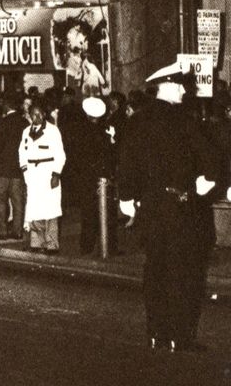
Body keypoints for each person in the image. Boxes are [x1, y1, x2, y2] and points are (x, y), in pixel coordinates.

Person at [118, 60, 219, 352]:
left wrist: (127, 199)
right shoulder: (184, 120)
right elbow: (210, 159)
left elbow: (126, 163)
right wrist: (206, 182)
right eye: (180, 86)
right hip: (182, 208)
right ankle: (180, 336)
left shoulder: (137, 120)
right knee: (184, 272)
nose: (184, 92)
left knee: (155, 270)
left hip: (151, 207)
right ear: (170, 86)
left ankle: (156, 333)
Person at [73, 96, 119, 255]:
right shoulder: (105, 130)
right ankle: (108, 246)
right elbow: (112, 153)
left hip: (86, 177)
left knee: (88, 213)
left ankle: (86, 246)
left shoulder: (80, 130)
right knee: (107, 213)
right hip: (104, 175)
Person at [19, 97, 65, 253]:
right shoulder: (26, 132)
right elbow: (22, 153)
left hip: (48, 171)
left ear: (44, 114)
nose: (36, 118)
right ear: (29, 115)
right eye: (33, 115)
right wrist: (25, 171)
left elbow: (60, 154)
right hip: (32, 174)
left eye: (39, 115)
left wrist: (56, 174)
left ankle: (52, 244)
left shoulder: (52, 130)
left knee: (51, 210)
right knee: (34, 208)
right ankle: (37, 243)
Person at [0, 91, 28, 240]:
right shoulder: (25, 122)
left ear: (6, 105)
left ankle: (1, 231)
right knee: (18, 201)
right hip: (18, 169)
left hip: (1, 168)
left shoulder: (1, 122)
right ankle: (17, 231)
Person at [64, 21, 106, 96]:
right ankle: (100, 31)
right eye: (77, 26)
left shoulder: (85, 64)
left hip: (87, 84)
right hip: (90, 85)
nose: (79, 28)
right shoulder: (71, 34)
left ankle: (100, 32)